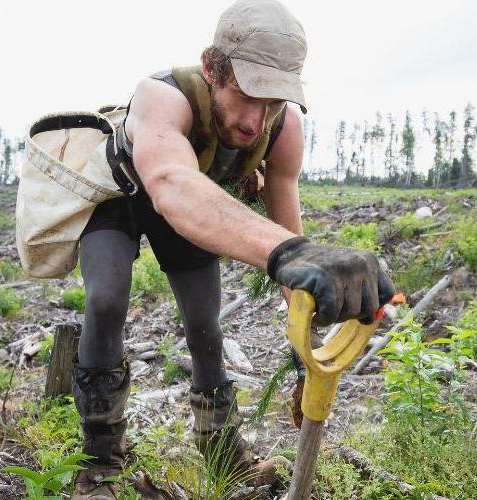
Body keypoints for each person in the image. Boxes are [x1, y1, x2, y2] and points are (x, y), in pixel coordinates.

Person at [71, 0, 395, 498]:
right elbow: (171, 182)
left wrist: (307, 339)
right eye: (248, 95)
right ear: (211, 69)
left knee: (206, 322)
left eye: (275, 103)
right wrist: (288, 251)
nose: (256, 122)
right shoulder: (160, 95)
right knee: (105, 298)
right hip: (124, 198)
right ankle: (100, 464)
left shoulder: (282, 130)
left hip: (198, 206)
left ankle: (223, 453)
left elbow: (290, 234)